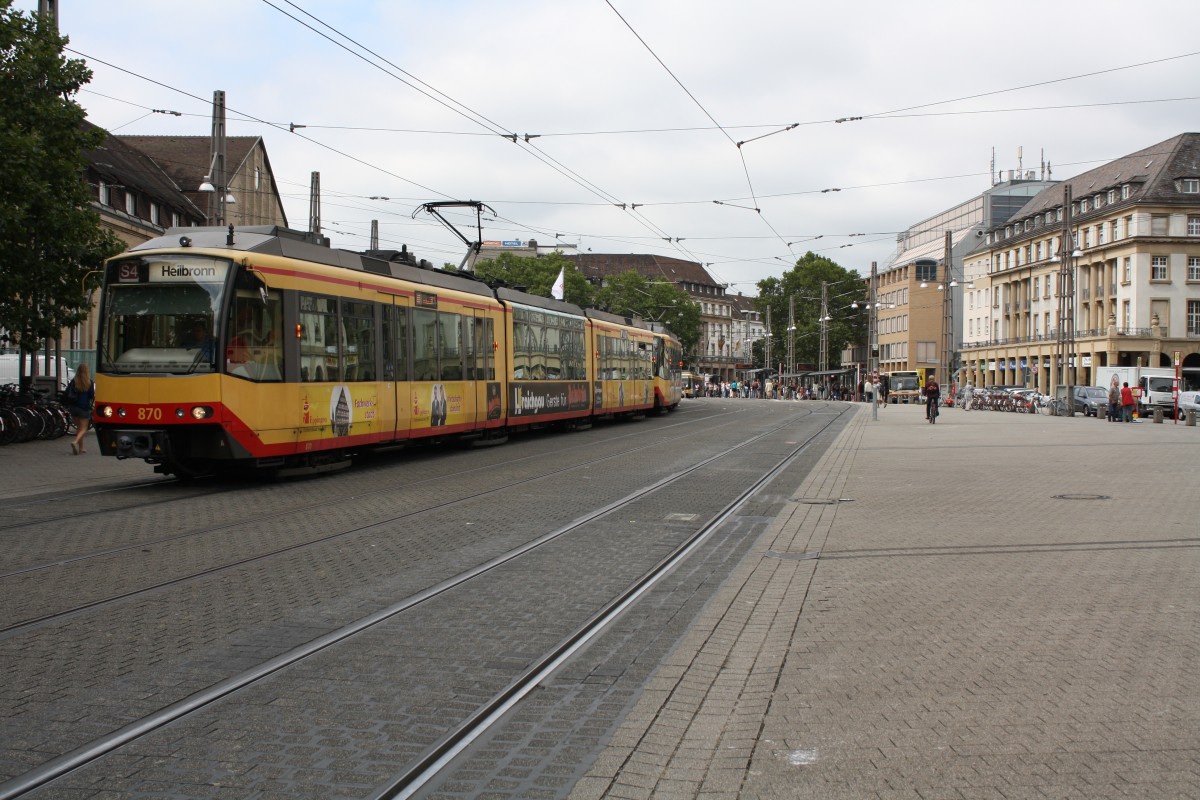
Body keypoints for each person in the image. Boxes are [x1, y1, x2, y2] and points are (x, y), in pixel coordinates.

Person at [66, 363, 94, 455]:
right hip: (84, 407)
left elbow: (67, 392)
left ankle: (81, 448)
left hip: (74, 407)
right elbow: (91, 395)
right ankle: (75, 442)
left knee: (79, 428)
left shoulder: (74, 381)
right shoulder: (89, 382)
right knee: (84, 429)